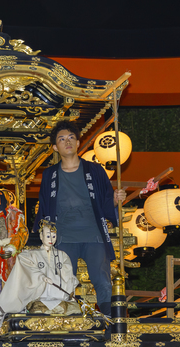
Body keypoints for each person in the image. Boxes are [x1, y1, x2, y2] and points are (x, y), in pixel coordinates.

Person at [35, 120, 126, 319]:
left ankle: (112, 320)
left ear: (78, 143)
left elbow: (106, 202)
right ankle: (67, 320)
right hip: (63, 236)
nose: (67, 142)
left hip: (93, 234)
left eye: (71, 138)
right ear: (55, 147)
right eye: (61, 139)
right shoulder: (49, 175)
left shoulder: (95, 170)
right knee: (63, 282)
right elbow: (44, 207)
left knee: (102, 280)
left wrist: (115, 199)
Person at [0, 221, 79, 321]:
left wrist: (69, 292)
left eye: (53, 236)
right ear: (41, 236)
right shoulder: (31, 254)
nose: (51, 239)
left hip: (59, 297)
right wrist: (40, 276)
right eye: (48, 236)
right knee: (37, 308)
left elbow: (68, 276)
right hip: (39, 297)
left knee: (73, 309)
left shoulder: (62, 255)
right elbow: (24, 264)